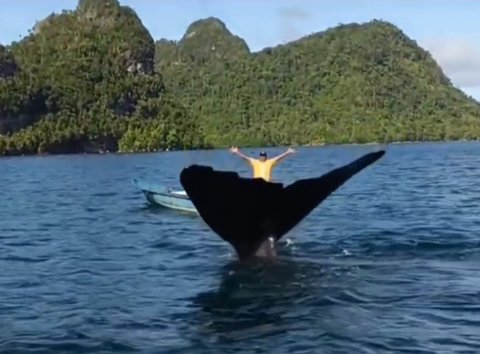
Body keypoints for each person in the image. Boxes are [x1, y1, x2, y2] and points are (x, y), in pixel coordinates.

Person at [229, 146, 295, 181]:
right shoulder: (255, 162)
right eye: (261, 156)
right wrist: (237, 152)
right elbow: (245, 158)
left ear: (266, 157)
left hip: (267, 183)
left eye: (264, 156)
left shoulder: (269, 162)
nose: (262, 158)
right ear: (259, 156)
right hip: (257, 183)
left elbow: (279, 157)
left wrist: (288, 152)